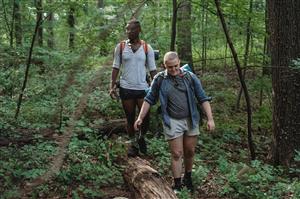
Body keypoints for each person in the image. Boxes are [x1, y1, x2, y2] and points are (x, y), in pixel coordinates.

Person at [134, 51, 215, 193]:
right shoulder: (160, 79)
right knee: (177, 153)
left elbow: (202, 98)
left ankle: (188, 178)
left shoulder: (190, 77)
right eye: (170, 67)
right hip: (172, 120)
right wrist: (140, 117)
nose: (173, 70)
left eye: (176, 66)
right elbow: (149, 99)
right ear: (164, 65)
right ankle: (177, 184)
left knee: (190, 151)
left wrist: (210, 119)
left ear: (179, 62)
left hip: (191, 118)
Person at [109, 19, 157, 157]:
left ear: (139, 30)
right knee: (130, 118)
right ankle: (133, 144)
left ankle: (141, 137)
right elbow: (115, 67)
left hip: (143, 88)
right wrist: (111, 85)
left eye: (132, 29)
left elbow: (153, 70)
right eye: (127, 29)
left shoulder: (147, 48)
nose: (128, 32)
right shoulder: (121, 47)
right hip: (126, 88)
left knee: (145, 118)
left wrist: (158, 87)